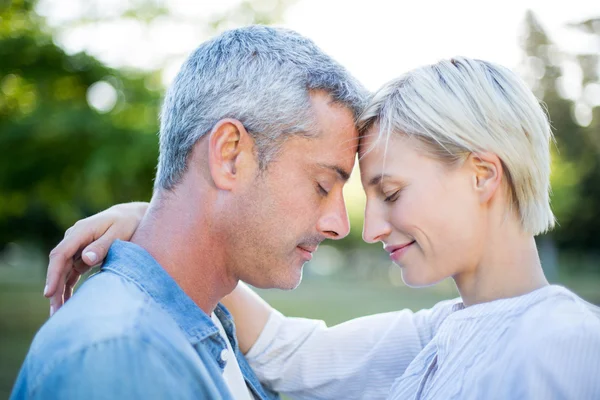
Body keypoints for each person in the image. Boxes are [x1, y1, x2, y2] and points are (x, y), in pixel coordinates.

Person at [43, 57, 600, 400]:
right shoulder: (438, 336)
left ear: (482, 175)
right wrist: (162, 220)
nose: (370, 226)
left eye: (391, 193)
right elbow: (289, 352)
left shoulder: (567, 347)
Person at [11, 25, 368, 400]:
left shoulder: (203, 321)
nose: (339, 225)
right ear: (229, 156)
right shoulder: (122, 357)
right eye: (322, 186)